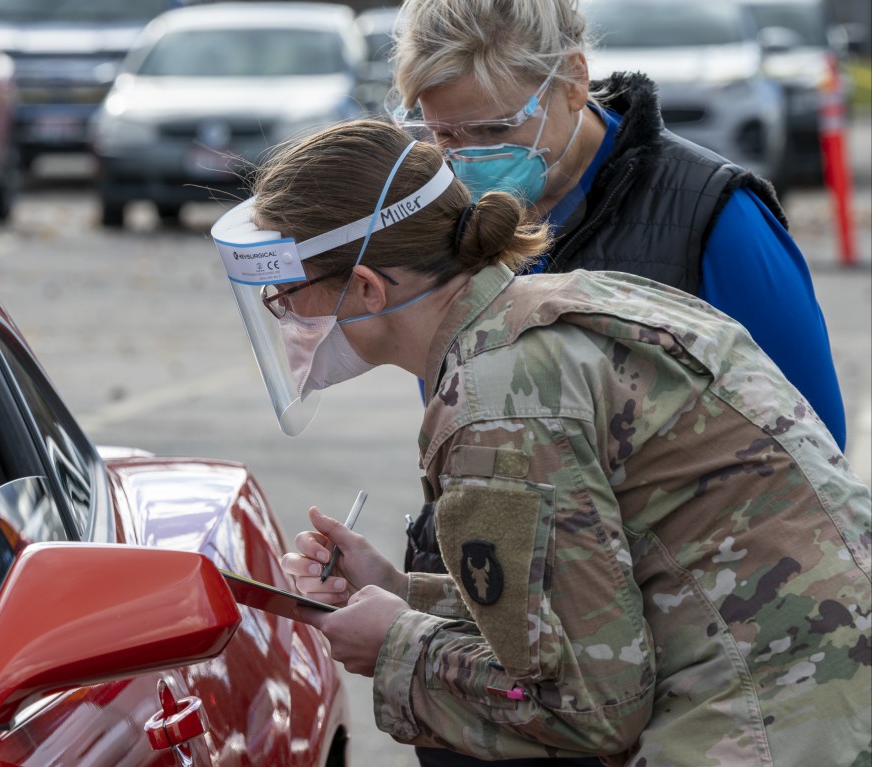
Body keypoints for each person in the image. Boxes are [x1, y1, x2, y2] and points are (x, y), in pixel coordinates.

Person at [208, 119, 871, 766]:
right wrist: (400, 592)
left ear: (364, 287)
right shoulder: (563, 305)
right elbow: (591, 604)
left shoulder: (495, 402)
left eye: (286, 297)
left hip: (769, 723)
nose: (286, 317)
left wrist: (394, 647)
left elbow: (592, 705)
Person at [385, 5, 848, 761]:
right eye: (444, 137)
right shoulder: (462, 234)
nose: (468, 163)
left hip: (708, 691)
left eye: (496, 130)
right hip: (540, 685)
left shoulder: (713, 215)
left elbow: (813, 457)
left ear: (572, 81)